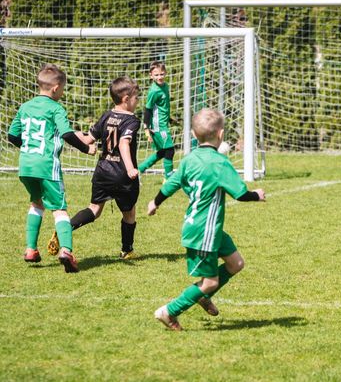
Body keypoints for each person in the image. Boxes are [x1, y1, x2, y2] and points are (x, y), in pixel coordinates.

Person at [148, 108, 265, 331]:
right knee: (210, 281)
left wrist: (155, 202)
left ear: (194, 134)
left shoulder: (189, 159)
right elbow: (240, 194)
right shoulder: (219, 163)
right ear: (221, 134)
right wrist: (256, 195)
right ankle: (169, 311)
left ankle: (203, 296)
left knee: (236, 263)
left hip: (209, 228)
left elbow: (171, 184)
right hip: (204, 232)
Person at [7, 63, 96, 273]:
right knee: (59, 209)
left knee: (36, 203)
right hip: (47, 166)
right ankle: (66, 251)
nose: (63, 92)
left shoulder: (25, 106)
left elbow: (12, 135)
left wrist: (29, 149)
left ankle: (30, 249)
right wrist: (86, 149)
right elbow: (67, 134)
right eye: (63, 89)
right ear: (56, 88)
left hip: (26, 165)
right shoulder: (56, 108)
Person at [47, 76, 141, 260]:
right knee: (129, 214)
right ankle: (127, 250)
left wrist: (69, 132)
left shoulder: (106, 115)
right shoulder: (132, 121)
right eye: (136, 97)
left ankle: (65, 229)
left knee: (94, 209)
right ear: (126, 99)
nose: (138, 101)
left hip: (103, 171)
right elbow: (124, 143)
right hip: (122, 174)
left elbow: (87, 139)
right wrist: (130, 168)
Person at [138, 61, 175, 180]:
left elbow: (162, 107)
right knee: (170, 150)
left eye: (161, 74)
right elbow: (148, 109)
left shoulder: (165, 86)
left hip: (163, 123)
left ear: (165, 73)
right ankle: (168, 178)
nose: (159, 77)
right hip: (158, 125)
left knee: (163, 152)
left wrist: (169, 118)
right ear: (151, 76)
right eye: (156, 75)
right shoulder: (154, 91)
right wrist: (146, 128)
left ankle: (139, 169)